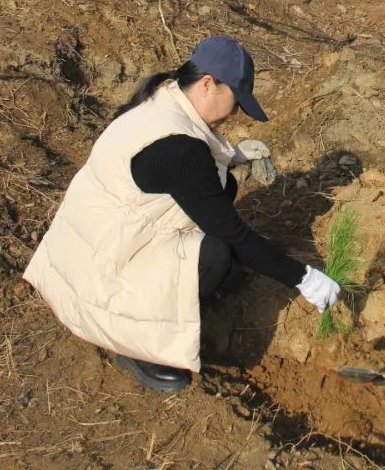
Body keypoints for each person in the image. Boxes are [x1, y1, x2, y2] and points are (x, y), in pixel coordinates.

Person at [24, 37, 342, 393]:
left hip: (80, 251)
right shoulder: (178, 149)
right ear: (208, 84)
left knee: (223, 191)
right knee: (217, 253)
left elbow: (179, 174)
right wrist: (303, 278)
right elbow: (231, 231)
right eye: (235, 101)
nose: (234, 113)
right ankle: (138, 347)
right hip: (94, 281)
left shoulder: (159, 100)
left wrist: (231, 156)